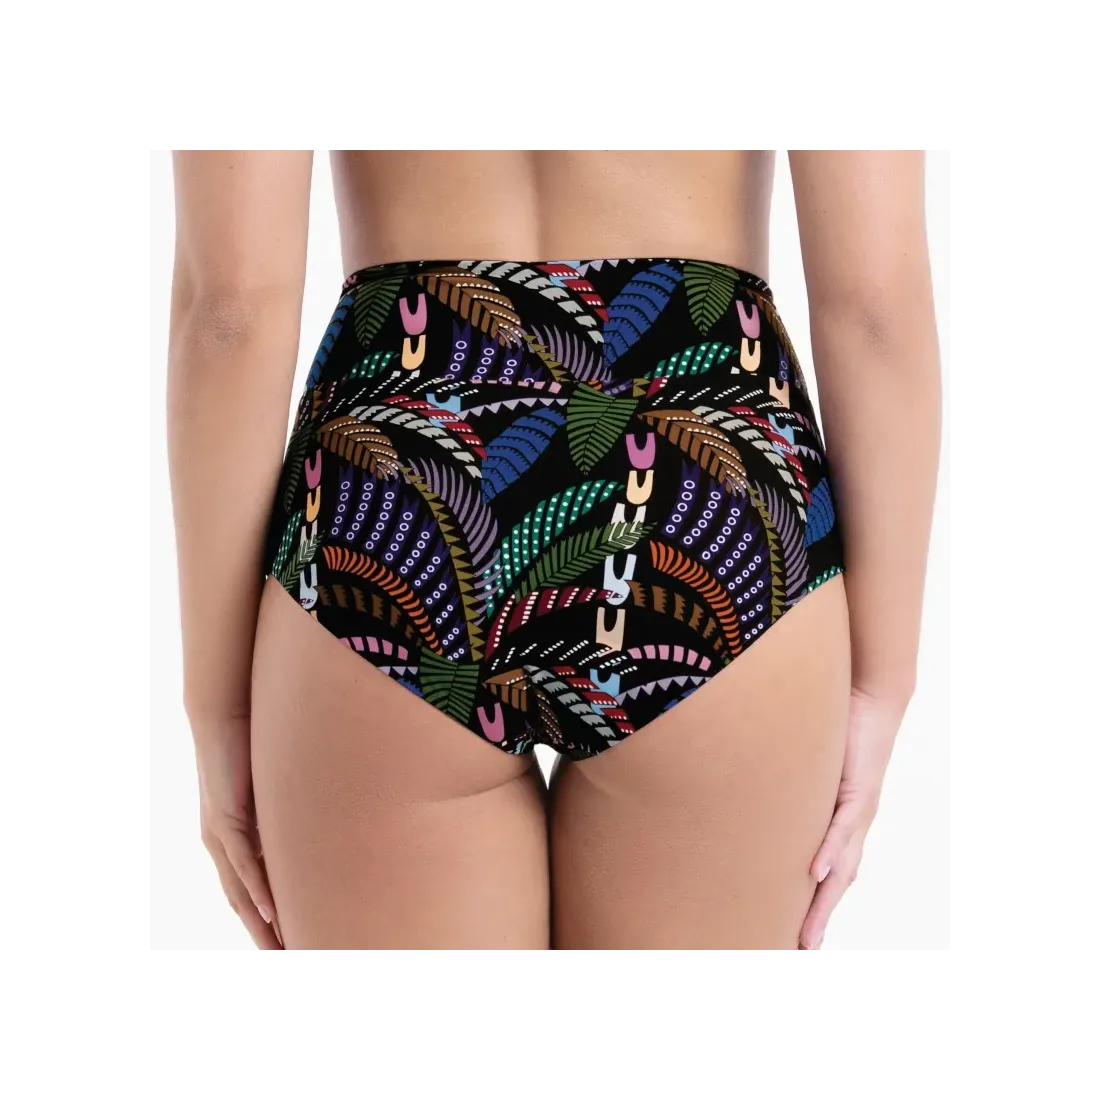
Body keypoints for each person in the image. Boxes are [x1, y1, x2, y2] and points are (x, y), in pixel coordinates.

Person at [167, 147, 940, 950]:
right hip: (710, 477)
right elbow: (875, 308)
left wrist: (219, 706)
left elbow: (232, 313)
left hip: (397, 481)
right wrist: (881, 682)